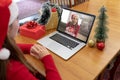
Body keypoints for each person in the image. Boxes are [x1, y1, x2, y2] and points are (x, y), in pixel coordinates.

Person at [0, 0, 61, 80]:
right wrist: (47, 58)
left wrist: (31, 47)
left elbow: (8, 48)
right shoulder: (15, 71)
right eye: (17, 18)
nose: (18, 22)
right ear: (7, 29)